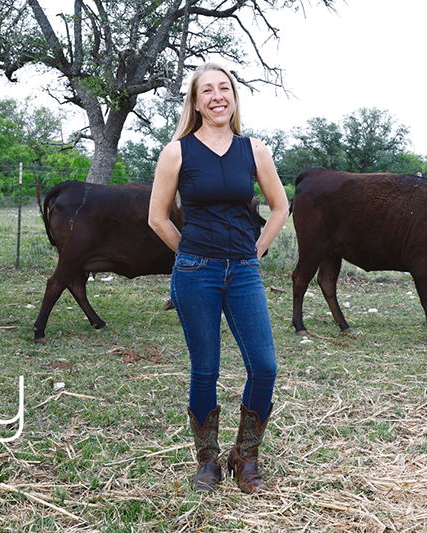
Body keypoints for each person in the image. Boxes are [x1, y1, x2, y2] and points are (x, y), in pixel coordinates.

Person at [148, 62, 288, 493]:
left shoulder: (254, 150)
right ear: (195, 101)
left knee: (264, 366)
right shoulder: (178, 152)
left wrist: (255, 249)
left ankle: (245, 456)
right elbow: (157, 218)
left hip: (244, 272)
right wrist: (191, 255)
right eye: (206, 90)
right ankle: (207, 460)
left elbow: (280, 207)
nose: (217, 96)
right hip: (196, 272)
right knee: (205, 369)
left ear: (233, 97)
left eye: (224, 88)